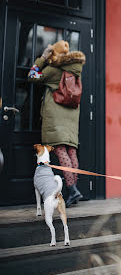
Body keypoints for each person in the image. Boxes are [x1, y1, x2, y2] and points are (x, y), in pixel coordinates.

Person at [28, 40, 86, 207]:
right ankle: (74, 189)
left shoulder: (53, 70)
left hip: (56, 114)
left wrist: (42, 58)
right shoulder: (75, 70)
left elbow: (32, 76)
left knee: (60, 151)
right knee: (71, 152)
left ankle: (73, 190)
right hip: (72, 116)